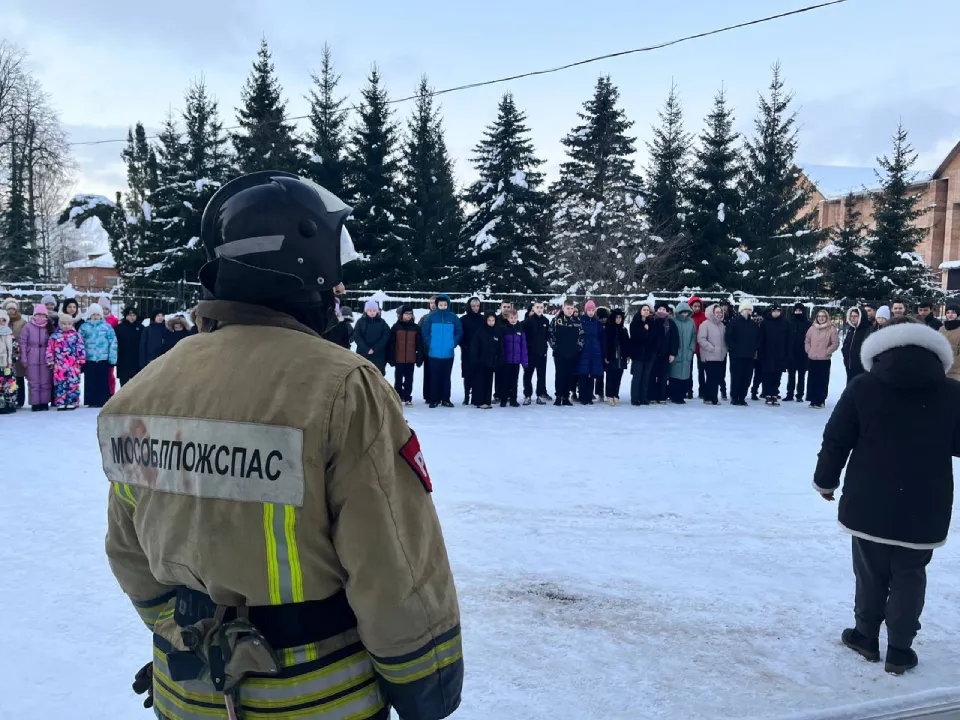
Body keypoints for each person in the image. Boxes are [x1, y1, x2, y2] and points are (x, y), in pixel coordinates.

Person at [99, 170, 462, 719]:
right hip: (318, 696)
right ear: (306, 266)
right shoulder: (342, 386)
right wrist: (426, 682)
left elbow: (128, 554)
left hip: (188, 691)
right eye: (335, 278)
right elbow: (392, 556)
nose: (339, 292)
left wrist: (184, 632)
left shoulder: (140, 394)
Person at [813, 316, 960, 676]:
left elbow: (836, 438)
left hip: (869, 497)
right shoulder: (952, 393)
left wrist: (825, 482)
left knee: (869, 570)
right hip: (926, 500)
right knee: (911, 572)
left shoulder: (864, 386)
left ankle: (865, 636)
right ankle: (899, 649)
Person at [420, 293, 462, 408]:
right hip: (433, 353)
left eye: (444, 304)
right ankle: (434, 399)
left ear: (448, 305)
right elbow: (425, 332)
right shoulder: (431, 317)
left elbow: (459, 331)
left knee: (446, 377)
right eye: (440, 304)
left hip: (448, 354)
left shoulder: (453, 317)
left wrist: (453, 343)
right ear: (437, 305)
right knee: (434, 377)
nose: (442, 306)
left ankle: (446, 399)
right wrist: (430, 343)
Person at [45, 311, 86, 411]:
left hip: (73, 365)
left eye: (68, 324)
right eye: (64, 323)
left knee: (73, 383)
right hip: (59, 365)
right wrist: (50, 361)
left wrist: (81, 359)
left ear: (72, 324)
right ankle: (60, 401)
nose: (66, 326)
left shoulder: (76, 336)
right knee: (60, 384)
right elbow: (50, 349)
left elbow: (80, 348)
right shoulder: (54, 336)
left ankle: (72, 401)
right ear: (60, 324)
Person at [79, 304, 118, 408]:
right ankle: (91, 400)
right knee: (91, 380)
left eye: (97, 314)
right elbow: (79, 343)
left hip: (103, 358)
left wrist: (112, 357)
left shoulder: (107, 327)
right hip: (90, 358)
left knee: (103, 380)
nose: (95, 317)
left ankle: (102, 399)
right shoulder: (84, 327)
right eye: (93, 314)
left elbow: (113, 342)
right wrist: (81, 358)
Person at [726, 299, 762, 406]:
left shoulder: (754, 325)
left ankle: (742, 397)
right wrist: (734, 348)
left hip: (749, 356)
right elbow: (728, 337)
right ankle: (734, 396)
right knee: (736, 377)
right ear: (741, 310)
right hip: (736, 356)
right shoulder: (733, 323)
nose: (747, 311)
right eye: (745, 309)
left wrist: (754, 348)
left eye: (749, 309)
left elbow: (758, 339)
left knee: (747, 377)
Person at [386, 305, 423, 406]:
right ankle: (398, 396)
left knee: (409, 380)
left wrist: (419, 358)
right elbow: (391, 344)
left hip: (411, 359)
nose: (408, 316)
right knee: (398, 379)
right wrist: (391, 358)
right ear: (401, 315)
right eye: (406, 314)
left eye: (410, 314)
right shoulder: (395, 327)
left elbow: (419, 345)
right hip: (399, 359)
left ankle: (407, 397)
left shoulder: (416, 328)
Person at [549, 300, 583, 406]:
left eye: (572, 308)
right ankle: (559, 396)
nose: (570, 311)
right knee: (560, 375)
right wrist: (555, 347)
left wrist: (578, 347)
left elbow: (582, 335)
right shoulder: (556, 320)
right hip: (559, 353)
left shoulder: (577, 321)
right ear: (563, 308)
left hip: (572, 353)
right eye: (568, 308)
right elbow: (550, 334)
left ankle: (566, 397)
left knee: (569, 375)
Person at [804, 308, 840, 409]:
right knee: (812, 380)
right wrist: (809, 350)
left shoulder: (831, 329)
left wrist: (826, 352)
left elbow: (835, 343)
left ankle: (820, 400)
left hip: (824, 359)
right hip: (812, 358)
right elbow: (807, 340)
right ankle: (812, 399)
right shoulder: (812, 328)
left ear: (826, 317)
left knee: (822, 380)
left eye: (823, 316)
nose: (821, 318)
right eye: (819, 316)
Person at [20, 304, 53, 411]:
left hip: (45, 355)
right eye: (38, 314)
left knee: (45, 381)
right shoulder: (28, 327)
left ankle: (44, 402)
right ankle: (35, 403)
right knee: (34, 381)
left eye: (43, 315)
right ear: (34, 315)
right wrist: (24, 358)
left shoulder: (49, 326)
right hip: (32, 356)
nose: (40, 317)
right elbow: (23, 343)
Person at [758, 304, 789, 406]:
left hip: (780, 354)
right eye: (774, 311)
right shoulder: (765, 323)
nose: (776, 313)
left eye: (778, 311)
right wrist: (761, 353)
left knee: (777, 375)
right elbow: (761, 339)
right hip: (767, 354)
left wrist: (786, 353)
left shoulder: (785, 323)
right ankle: (767, 395)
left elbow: (788, 339)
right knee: (767, 375)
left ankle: (775, 394)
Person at [696, 304, 727, 406]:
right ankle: (709, 397)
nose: (719, 314)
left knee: (717, 377)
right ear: (712, 312)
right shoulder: (705, 324)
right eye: (717, 312)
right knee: (711, 378)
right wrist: (712, 348)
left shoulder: (722, 325)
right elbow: (701, 339)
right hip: (709, 356)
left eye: (720, 312)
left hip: (720, 356)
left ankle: (713, 397)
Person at [522, 301, 551, 405]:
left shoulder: (546, 321)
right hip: (530, 353)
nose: (539, 309)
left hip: (542, 353)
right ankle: (527, 395)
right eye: (537, 307)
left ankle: (540, 395)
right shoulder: (528, 321)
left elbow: (548, 335)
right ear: (533, 308)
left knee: (541, 375)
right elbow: (521, 334)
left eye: (541, 307)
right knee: (528, 375)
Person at [470, 312, 501, 409]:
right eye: (489, 320)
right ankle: (479, 401)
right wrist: (475, 359)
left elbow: (499, 347)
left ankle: (487, 401)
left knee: (489, 382)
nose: (491, 322)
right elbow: (475, 346)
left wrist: (498, 358)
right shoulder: (480, 331)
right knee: (480, 382)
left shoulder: (496, 331)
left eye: (493, 320)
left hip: (491, 362)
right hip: (480, 362)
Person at [576, 301, 605, 406]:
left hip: (594, 351)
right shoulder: (581, 321)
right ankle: (582, 396)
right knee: (583, 374)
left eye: (593, 310)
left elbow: (601, 337)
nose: (591, 312)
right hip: (583, 351)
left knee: (592, 375)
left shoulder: (597, 323)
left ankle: (589, 396)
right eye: (589, 310)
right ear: (585, 310)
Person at [629, 304, 658, 406]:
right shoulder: (634, 323)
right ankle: (635, 398)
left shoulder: (651, 322)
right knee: (637, 377)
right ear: (640, 311)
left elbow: (654, 338)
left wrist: (653, 352)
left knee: (646, 378)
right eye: (644, 309)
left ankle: (643, 398)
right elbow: (635, 338)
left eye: (647, 310)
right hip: (638, 354)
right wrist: (644, 330)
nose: (646, 311)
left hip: (649, 355)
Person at [668, 302, 696, 405]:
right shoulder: (673, 321)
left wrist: (691, 349)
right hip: (676, 352)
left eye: (686, 312)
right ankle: (674, 396)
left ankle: (681, 395)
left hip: (687, 352)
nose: (684, 314)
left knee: (685, 376)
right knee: (674, 375)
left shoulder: (691, 322)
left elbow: (693, 335)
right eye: (682, 312)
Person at [498, 310, 527, 407]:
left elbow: (523, 346)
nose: (513, 320)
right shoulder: (504, 329)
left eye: (515, 318)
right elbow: (500, 345)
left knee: (514, 381)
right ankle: (503, 399)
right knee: (505, 381)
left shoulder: (520, 329)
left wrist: (524, 361)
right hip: (506, 361)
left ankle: (513, 399)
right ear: (508, 318)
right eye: (511, 318)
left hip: (516, 361)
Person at [459, 297, 484, 405]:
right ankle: (466, 396)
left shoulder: (483, 319)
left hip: (480, 351)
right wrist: (464, 344)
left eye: (477, 306)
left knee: (478, 374)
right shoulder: (463, 319)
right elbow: (460, 334)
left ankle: (476, 396)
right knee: (467, 374)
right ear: (469, 306)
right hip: (467, 350)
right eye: (473, 306)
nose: (476, 308)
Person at [354, 300, 390, 376]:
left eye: (374, 310)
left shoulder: (382, 322)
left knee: (377, 376)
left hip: (378, 355)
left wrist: (374, 348)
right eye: (370, 310)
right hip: (363, 353)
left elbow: (385, 336)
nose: (372, 312)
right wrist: (366, 349)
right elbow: (357, 336)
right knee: (363, 376)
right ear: (366, 311)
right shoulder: (360, 322)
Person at [650, 305, 677, 404]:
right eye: (660, 309)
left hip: (666, 354)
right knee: (652, 376)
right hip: (653, 353)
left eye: (664, 309)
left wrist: (673, 353)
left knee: (663, 376)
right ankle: (652, 396)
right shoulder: (652, 321)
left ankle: (662, 396)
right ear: (656, 310)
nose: (661, 311)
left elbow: (675, 339)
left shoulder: (670, 323)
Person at [2, 298, 27, 408]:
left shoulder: (22, 322)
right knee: (6, 379)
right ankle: (7, 399)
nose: (11, 311)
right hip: (4, 356)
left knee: (19, 377)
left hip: (17, 353)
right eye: (8, 309)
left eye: (13, 309)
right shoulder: (3, 321)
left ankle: (20, 400)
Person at [604, 309, 630, 406]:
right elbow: (605, 343)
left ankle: (615, 394)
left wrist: (627, 355)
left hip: (621, 358)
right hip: (611, 357)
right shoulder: (608, 329)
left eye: (620, 318)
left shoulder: (623, 329)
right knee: (610, 377)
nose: (619, 319)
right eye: (617, 317)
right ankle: (609, 395)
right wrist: (606, 355)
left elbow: (627, 343)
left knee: (618, 377)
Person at [785, 303, 810, 402]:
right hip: (791, 353)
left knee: (801, 376)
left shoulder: (807, 324)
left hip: (803, 354)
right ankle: (789, 393)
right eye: (796, 311)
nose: (798, 312)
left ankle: (799, 394)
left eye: (800, 311)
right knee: (791, 375)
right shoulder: (789, 323)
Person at [841, 307, 872, 385]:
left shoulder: (867, 329)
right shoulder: (851, 329)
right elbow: (846, 345)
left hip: (861, 368)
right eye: (851, 316)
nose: (853, 318)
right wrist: (845, 354)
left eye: (855, 316)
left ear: (861, 317)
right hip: (849, 366)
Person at [115, 306, 142, 387]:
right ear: (126, 316)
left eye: (134, 315)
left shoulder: (141, 328)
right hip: (123, 362)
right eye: (130, 315)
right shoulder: (119, 328)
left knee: (136, 387)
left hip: (136, 362)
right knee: (124, 386)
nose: (132, 317)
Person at [0, 308, 19, 414]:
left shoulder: (9, 334)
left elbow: (15, 347)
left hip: (8, 364)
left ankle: (10, 403)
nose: (1, 322)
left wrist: (15, 355)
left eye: (3, 320)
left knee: (10, 384)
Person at [688, 297, 707, 399]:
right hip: (690, 347)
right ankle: (688, 390)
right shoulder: (688, 317)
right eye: (695, 306)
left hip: (701, 347)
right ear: (690, 306)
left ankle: (702, 390)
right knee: (688, 370)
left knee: (701, 370)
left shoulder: (704, 317)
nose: (697, 308)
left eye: (699, 306)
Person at [419, 296, 437, 404]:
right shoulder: (424, 318)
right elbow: (419, 334)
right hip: (427, 351)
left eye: (435, 302)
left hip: (440, 352)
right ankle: (428, 395)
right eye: (431, 303)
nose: (433, 305)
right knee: (428, 374)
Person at [939, 304, 960, 381]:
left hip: (956, 370)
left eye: (953, 312)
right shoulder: (942, 328)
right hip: (941, 368)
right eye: (948, 312)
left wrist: (951, 364)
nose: (950, 315)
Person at [594, 306, 611, 399]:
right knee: (599, 374)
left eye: (605, 318)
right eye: (601, 318)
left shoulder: (609, 325)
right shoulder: (596, 325)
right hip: (598, 352)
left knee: (609, 374)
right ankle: (599, 392)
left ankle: (608, 392)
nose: (603, 320)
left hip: (608, 352)